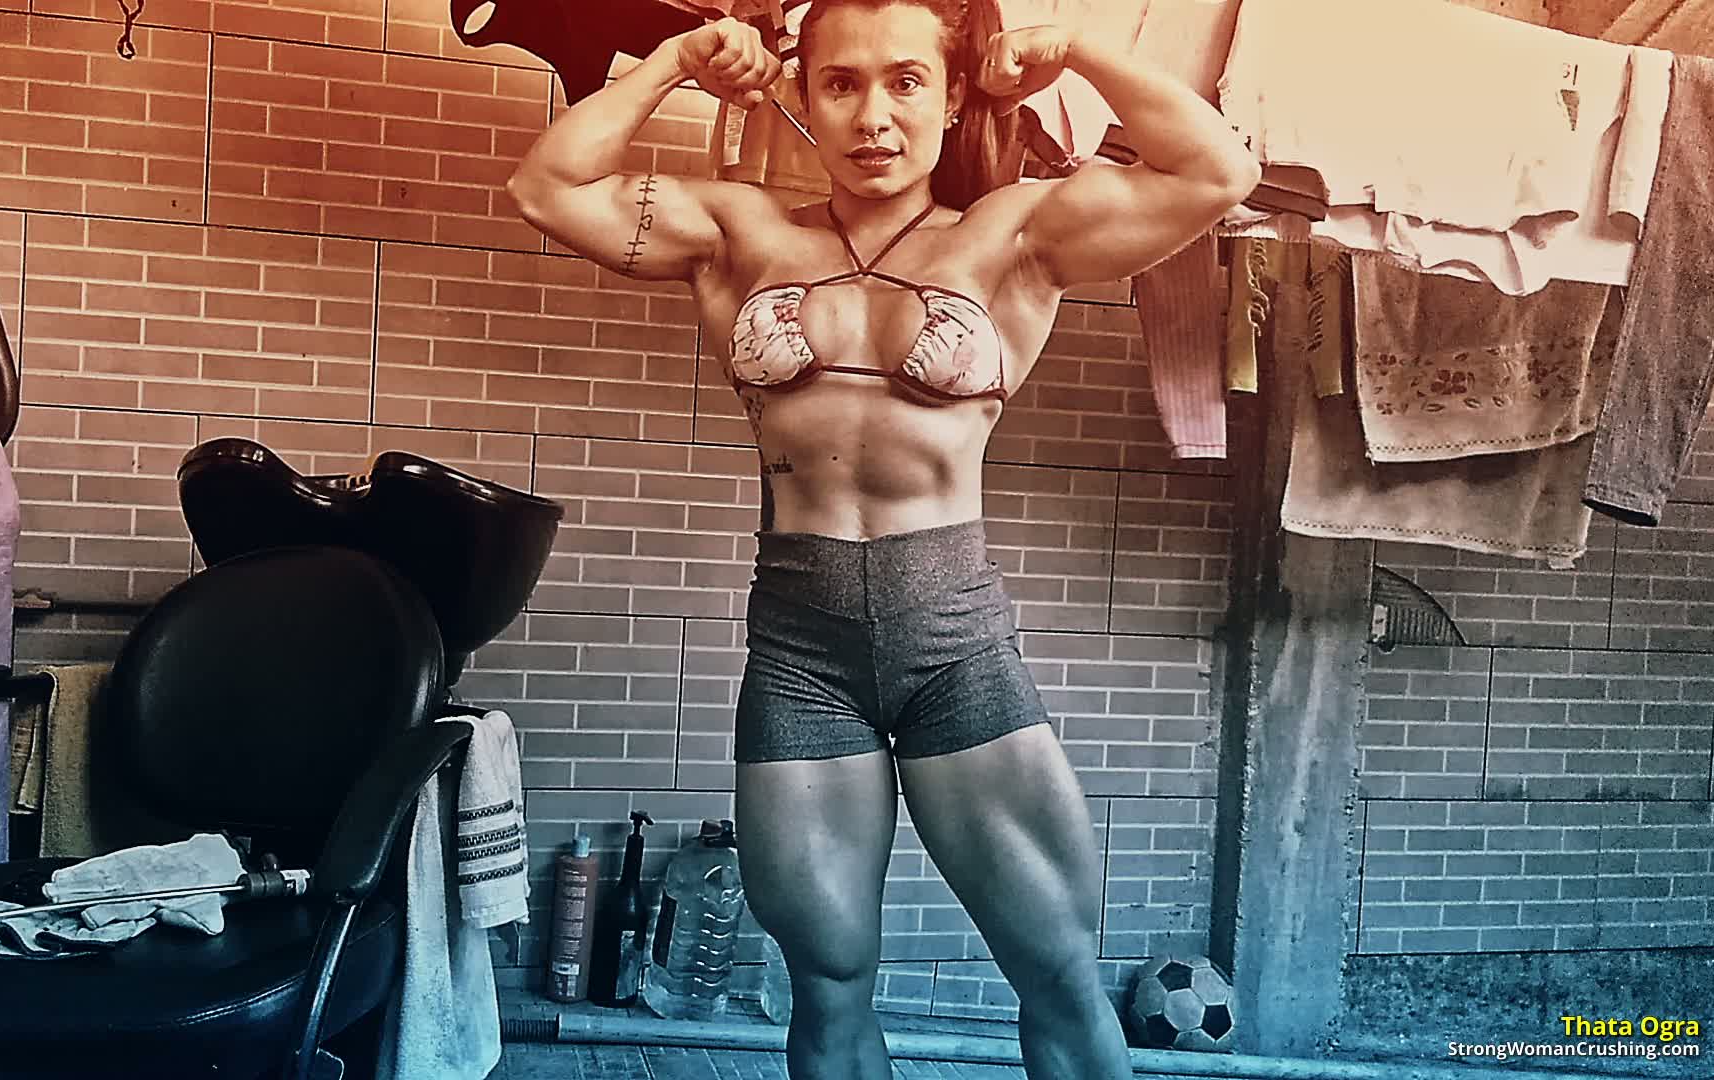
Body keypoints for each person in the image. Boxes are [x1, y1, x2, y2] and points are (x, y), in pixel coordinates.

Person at [506, 2, 1258, 1077]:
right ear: (803, 98)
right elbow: (547, 186)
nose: (873, 115)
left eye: (906, 81)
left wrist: (1075, 50)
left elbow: (1216, 172)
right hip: (801, 655)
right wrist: (676, 61)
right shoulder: (740, 235)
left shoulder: (1013, 236)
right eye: (841, 83)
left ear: (951, 101)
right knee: (827, 983)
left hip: (953, 643)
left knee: (1054, 969)